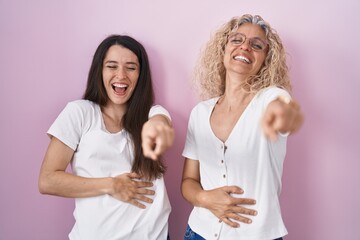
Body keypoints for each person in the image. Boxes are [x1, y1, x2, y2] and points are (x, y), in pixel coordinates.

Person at [38, 35, 175, 240]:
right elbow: (47, 181)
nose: (121, 75)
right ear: (99, 71)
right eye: (112, 66)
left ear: (141, 75)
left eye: (131, 67)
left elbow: (160, 121)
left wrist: (157, 125)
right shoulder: (79, 112)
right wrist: (112, 185)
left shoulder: (152, 113)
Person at [181, 14, 304, 240]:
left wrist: (284, 115)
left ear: (266, 59)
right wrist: (205, 199)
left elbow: (287, 111)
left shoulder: (271, 99)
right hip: (199, 232)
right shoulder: (200, 113)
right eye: (237, 40)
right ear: (224, 48)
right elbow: (188, 182)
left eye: (257, 45)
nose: (245, 47)